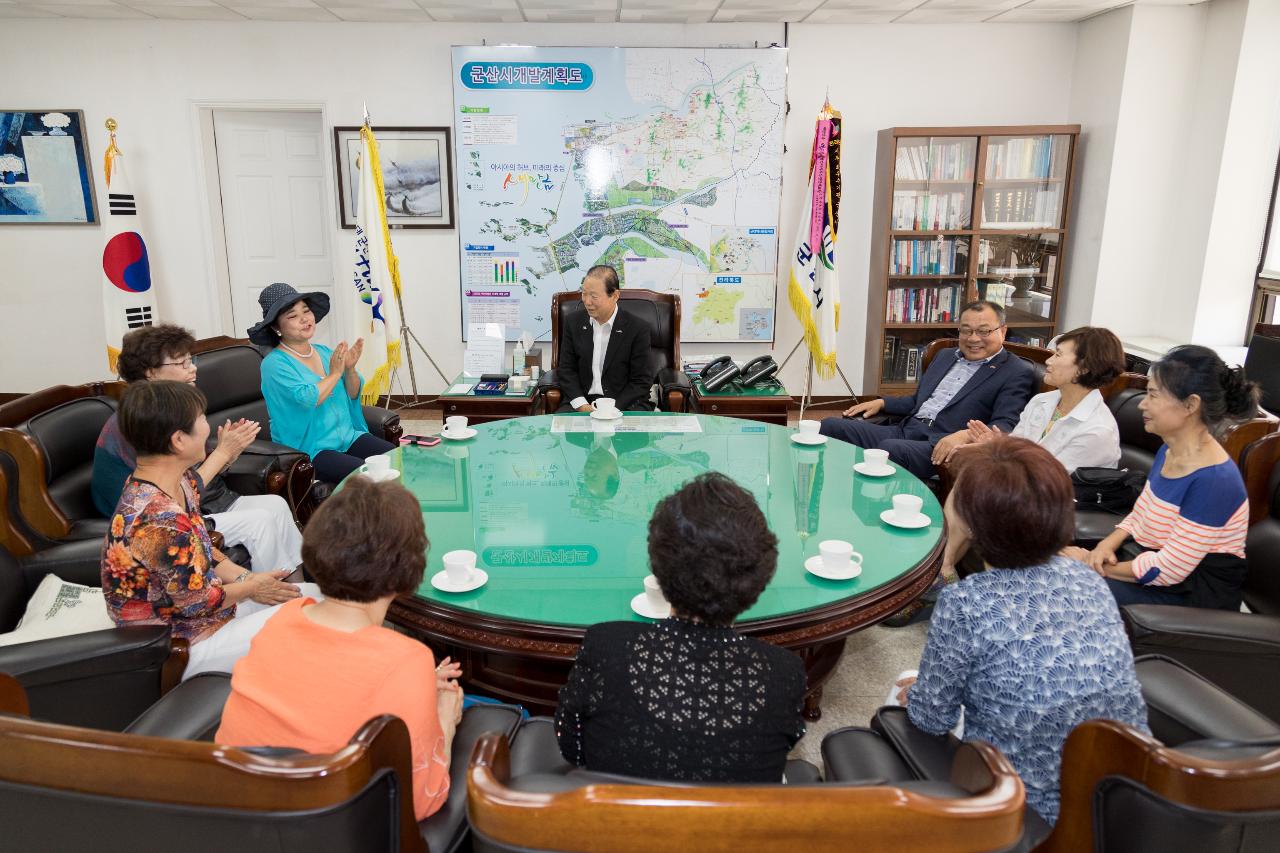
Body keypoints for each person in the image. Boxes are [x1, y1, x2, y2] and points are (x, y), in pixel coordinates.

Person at [895, 436, 1148, 826]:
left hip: (1019, 808)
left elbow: (931, 720)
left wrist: (918, 693)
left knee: (899, 689)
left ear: (972, 522)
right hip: (1115, 798)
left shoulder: (966, 603)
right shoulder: (1088, 579)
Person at [216, 477, 463, 821]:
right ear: (408, 568)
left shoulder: (283, 618)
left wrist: (416, 685)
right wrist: (445, 717)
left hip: (241, 813)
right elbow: (422, 800)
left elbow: (324, 692)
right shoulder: (407, 658)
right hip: (334, 830)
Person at [554, 472, 806, 782]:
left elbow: (572, 748)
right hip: (733, 829)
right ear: (759, 575)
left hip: (615, 823)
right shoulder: (786, 673)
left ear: (658, 565)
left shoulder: (605, 645)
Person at [101, 381, 321, 679]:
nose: (209, 427)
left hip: (206, 617)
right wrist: (254, 587)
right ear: (178, 440)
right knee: (315, 618)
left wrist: (247, 577)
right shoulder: (158, 519)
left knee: (312, 595)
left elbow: (203, 547)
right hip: (178, 644)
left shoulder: (175, 484)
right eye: (202, 419)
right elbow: (198, 603)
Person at [92, 324, 303, 575]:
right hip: (153, 522)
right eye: (181, 363)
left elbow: (190, 475)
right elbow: (172, 496)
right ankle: (276, 600)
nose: (193, 368)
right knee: (261, 521)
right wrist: (222, 453)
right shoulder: (138, 421)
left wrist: (229, 454)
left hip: (194, 504)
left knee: (275, 506)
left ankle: (297, 592)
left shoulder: (168, 407)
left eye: (190, 360)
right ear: (150, 372)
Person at [1064, 345, 1258, 610]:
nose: (1143, 403)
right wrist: (1106, 545)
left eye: (1153, 395)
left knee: (1066, 586)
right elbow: (1142, 512)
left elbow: (1170, 570)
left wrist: (1090, 564)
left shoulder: (1214, 479)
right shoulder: (1170, 450)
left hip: (1191, 595)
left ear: (1191, 404)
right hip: (1149, 565)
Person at [936, 326, 1126, 585]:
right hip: (1022, 488)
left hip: (1053, 505)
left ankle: (940, 575)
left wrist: (1000, 451)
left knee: (977, 485)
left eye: (1058, 355)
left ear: (1083, 368)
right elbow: (1020, 449)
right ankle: (943, 571)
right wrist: (996, 445)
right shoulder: (1043, 402)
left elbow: (1049, 481)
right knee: (972, 476)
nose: (1048, 361)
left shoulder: (1097, 430)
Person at [820, 301, 1036, 480]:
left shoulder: (1015, 371)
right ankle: (834, 488)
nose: (973, 338)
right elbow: (919, 402)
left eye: (984, 331)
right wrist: (883, 403)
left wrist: (965, 435)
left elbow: (1005, 425)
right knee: (831, 427)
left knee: (890, 449)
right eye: (966, 330)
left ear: (1003, 331)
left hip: (943, 444)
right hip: (906, 430)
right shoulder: (944, 356)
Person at [249, 282, 396, 484]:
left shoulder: (324, 352)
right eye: (292, 316)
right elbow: (308, 399)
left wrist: (350, 369)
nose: (304, 319)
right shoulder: (274, 365)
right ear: (276, 328)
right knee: (370, 478)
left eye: (306, 311)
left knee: (399, 459)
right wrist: (335, 374)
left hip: (348, 436)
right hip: (312, 449)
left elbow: (352, 394)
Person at [556, 265, 655, 413]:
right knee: (560, 430)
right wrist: (581, 405)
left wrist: (610, 409)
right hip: (582, 402)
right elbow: (566, 370)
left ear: (615, 296)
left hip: (624, 404)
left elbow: (641, 381)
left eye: (594, 296)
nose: (587, 301)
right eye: (584, 294)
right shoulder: (573, 322)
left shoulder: (638, 328)